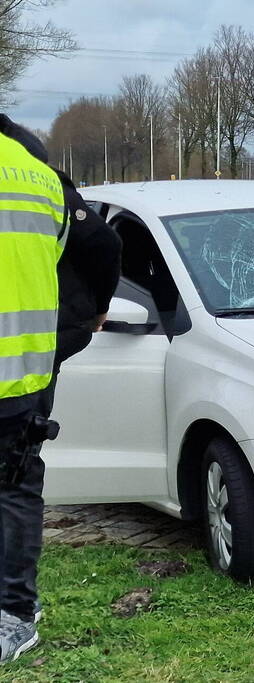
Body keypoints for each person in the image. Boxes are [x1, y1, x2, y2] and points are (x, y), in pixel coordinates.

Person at [0, 115, 121, 664]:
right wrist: (92, 311)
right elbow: (98, 244)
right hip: (21, 371)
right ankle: (15, 615)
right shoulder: (38, 176)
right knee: (16, 488)